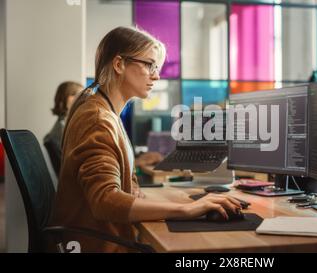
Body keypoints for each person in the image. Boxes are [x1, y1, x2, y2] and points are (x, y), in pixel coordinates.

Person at [51, 26, 241, 253]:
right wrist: (185, 209)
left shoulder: (101, 108)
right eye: (149, 64)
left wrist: (133, 189)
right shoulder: (98, 118)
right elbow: (104, 200)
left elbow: (112, 180)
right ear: (119, 64)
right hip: (99, 245)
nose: (157, 75)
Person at [44, 81, 83, 174]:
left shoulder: (68, 124)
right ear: (63, 99)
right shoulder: (63, 129)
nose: (82, 99)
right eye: (76, 94)